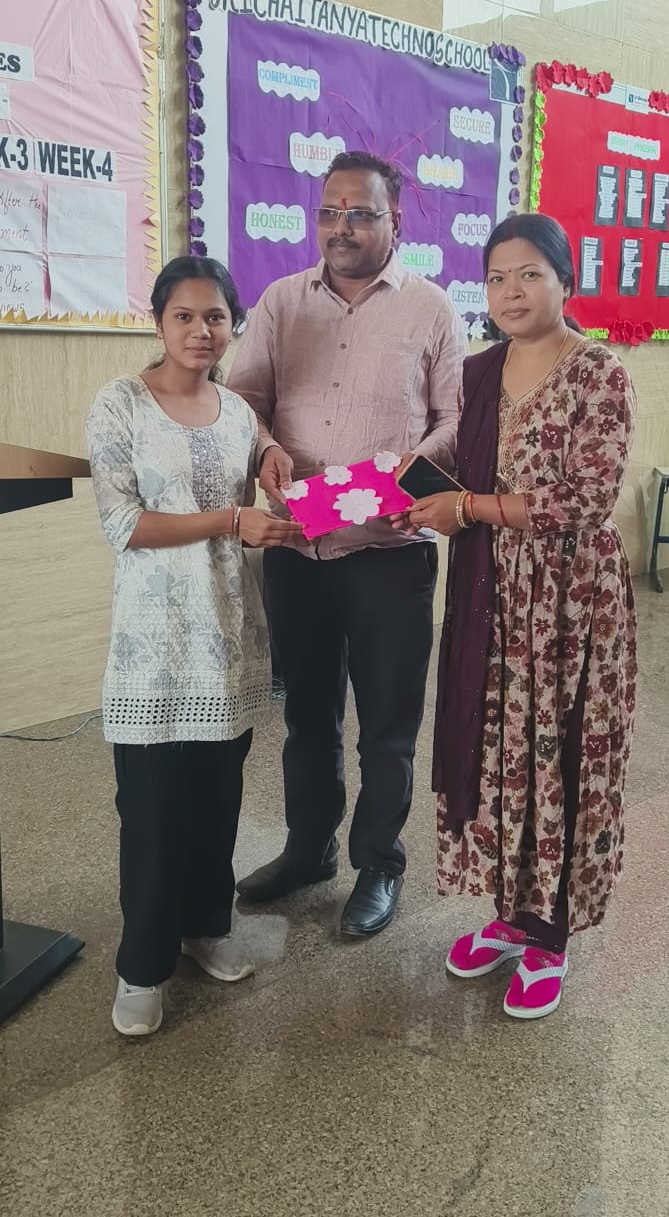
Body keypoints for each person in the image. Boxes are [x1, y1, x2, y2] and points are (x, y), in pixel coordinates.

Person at [394, 213, 637, 1018]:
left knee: (556, 753)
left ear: (566, 281)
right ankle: (510, 914)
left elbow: (586, 499)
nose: (511, 291)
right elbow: (452, 461)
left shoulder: (598, 373)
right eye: (497, 277)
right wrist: (397, 489)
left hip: (568, 604)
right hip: (491, 593)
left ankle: (549, 935)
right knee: (499, 749)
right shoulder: (478, 372)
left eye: (530, 274)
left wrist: (466, 507)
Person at [228, 150, 465, 936]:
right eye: (329, 212)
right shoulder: (280, 301)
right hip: (297, 547)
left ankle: (379, 864)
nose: (342, 227)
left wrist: (415, 470)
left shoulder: (431, 308)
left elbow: (456, 417)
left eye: (360, 213)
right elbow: (243, 400)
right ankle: (309, 849)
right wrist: (265, 447)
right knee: (307, 719)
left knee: (387, 728)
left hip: (388, 551)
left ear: (396, 220)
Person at [86, 256, 303, 1036]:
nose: (201, 330)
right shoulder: (121, 403)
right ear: (159, 322)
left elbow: (255, 470)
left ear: (232, 325)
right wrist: (232, 521)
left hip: (228, 636)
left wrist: (272, 470)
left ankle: (205, 927)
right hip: (152, 648)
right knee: (150, 812)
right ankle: (142, 965)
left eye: (215, 317)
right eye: (184, 315)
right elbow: (123, 524)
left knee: (217, 802)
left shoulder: (238, 413)